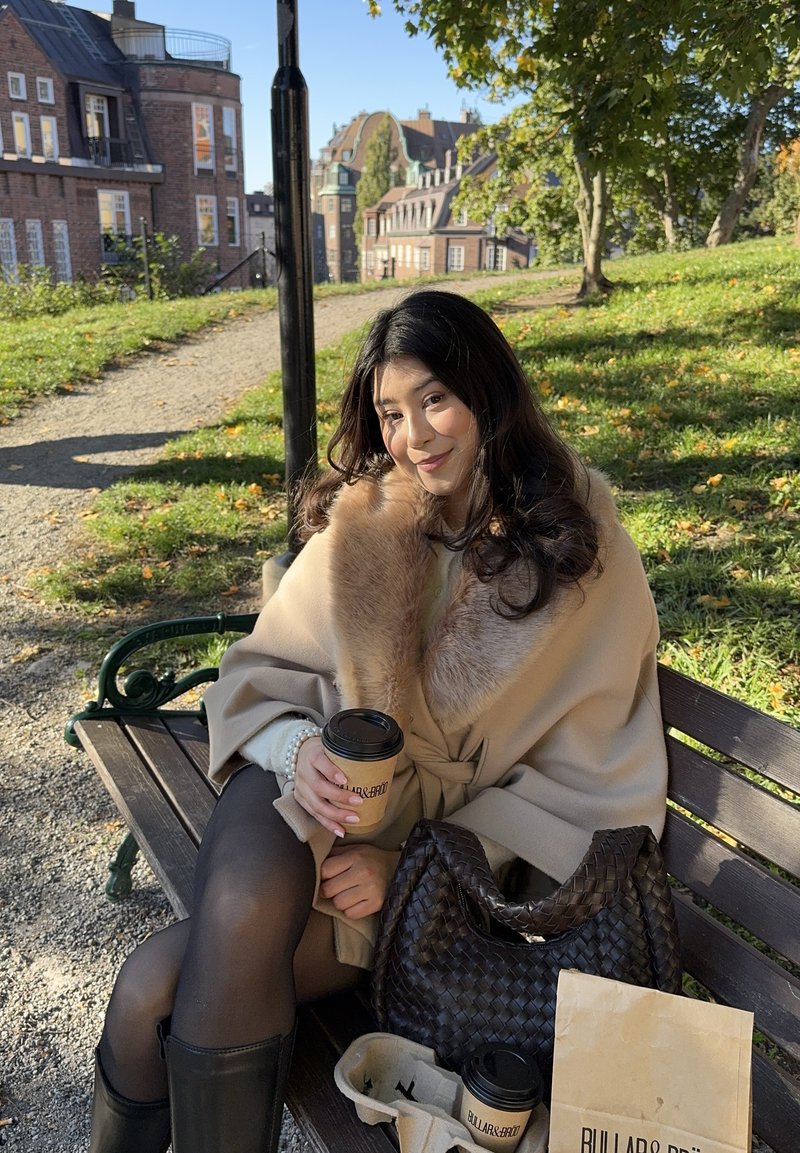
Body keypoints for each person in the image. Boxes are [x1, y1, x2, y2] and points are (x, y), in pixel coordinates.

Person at [88, 289, 668, 1153]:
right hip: (301, 795)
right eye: (391, 413)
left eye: (435, 399)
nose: (413, 436)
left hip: (427, 884)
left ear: (489, 392)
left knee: (149, 989)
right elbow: (259, 671)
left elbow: (589, 788)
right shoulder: (368, 519)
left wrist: (412, 867)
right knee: (232, 913)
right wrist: (296, 748)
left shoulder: (581, 551)